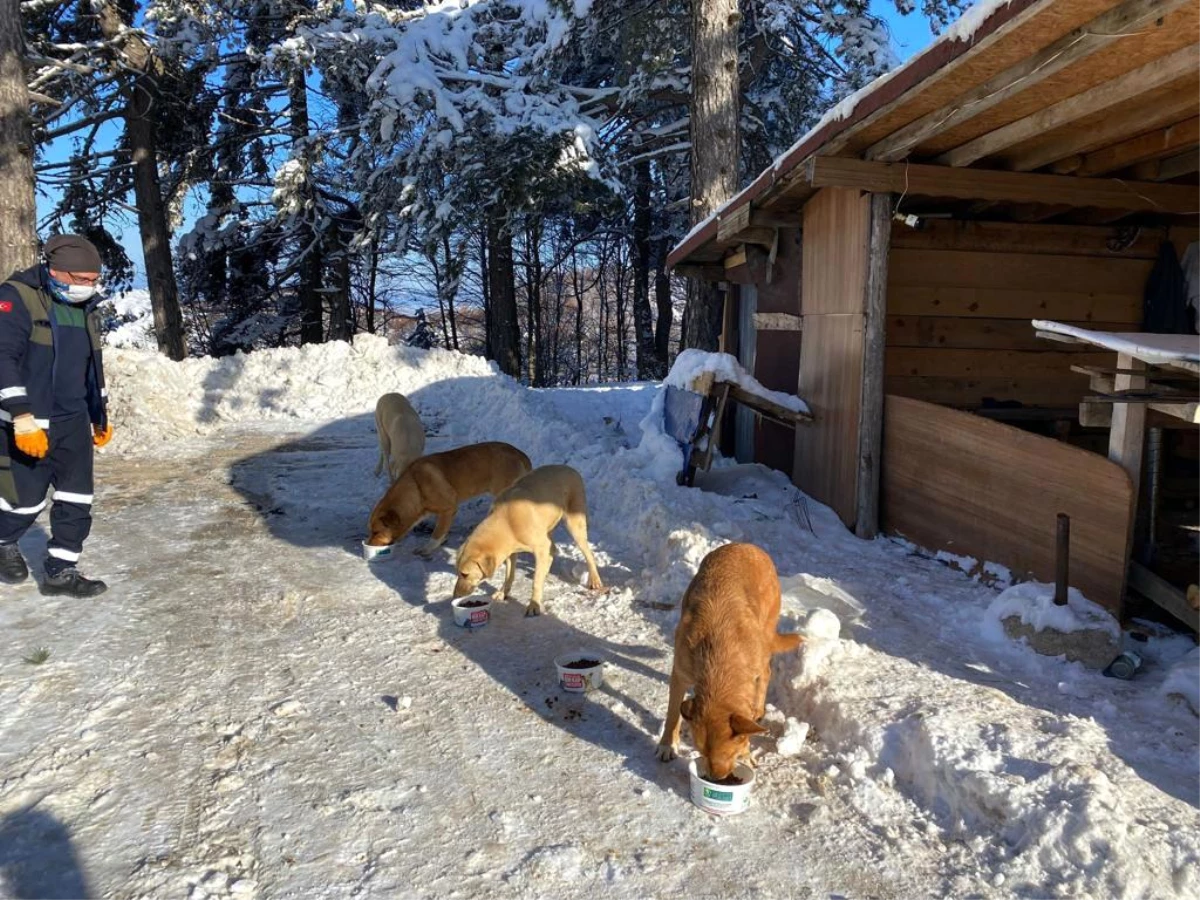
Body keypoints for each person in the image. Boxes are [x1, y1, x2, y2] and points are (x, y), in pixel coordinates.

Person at [0, 234, 112, 597]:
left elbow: (88, 365)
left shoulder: (84, 306)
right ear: (56, 270)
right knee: (24, 500)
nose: (89, 287)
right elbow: (2, 358)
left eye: (94, 280)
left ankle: (61, 571)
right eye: (82, 280)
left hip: (73, 421)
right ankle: (3, 541)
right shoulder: (17, 297)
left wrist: (99, 413)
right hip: (31, 424)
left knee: (76, 499)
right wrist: (21, 417)